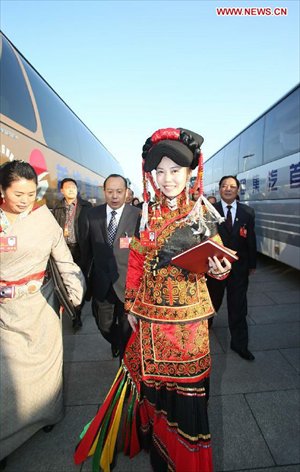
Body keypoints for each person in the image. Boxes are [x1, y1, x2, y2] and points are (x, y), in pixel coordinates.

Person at [74, 128, 232, 472]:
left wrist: (219, 271)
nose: (167, 179)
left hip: (188, 325)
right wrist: (131, 305)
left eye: (175, 171)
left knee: (187, 395)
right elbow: (135, 264)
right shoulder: (146, 213)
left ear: (190, 173)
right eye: (159, 171)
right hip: (148, 320)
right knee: (155, 391)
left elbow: (216, 264)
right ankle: (162, 455)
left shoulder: (202, 214)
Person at [0, 160, 85, 468]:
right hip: (4, 313)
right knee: (7, 380)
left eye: (31, 193)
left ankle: (48, 414)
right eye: (18, 194)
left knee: (47, 369)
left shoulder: (43, 217)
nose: (25, 200)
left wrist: (75, 292)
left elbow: (63, 259)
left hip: (42, 305)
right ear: (2, 190)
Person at [80, 174, 140, 360]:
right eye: (110, 191)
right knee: (103, 325)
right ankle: (116, 341)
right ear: (104, 191)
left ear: (127, 192)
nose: (115, 196)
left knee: (126, 327)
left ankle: (124, 361)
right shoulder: (91, 215)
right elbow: (86, 252)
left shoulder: (138, 216)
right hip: (102, 283)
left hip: (128, 284)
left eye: (119, 192)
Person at [206, 175, 257, 361]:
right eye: (224, 186)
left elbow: (251, 239)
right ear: (219, 189)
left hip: (239, 268)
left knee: (238, 306)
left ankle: (240, 344)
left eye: (232, 186)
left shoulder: (247, 212)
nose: (228, 189)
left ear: (237, 190)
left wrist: (252, 263)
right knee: (212, 301)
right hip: (215, 267)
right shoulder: (210, 211)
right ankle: (205, 327)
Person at [52, 178, 92, 330]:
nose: (71, 190)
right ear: (62, 190)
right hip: (63, 251)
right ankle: (73, 311)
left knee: (78, 282)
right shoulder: (57, 208)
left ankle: (77, 314)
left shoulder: (86, 207)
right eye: (68, 188)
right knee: (65, 283)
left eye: (73, 187)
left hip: (81, 250)